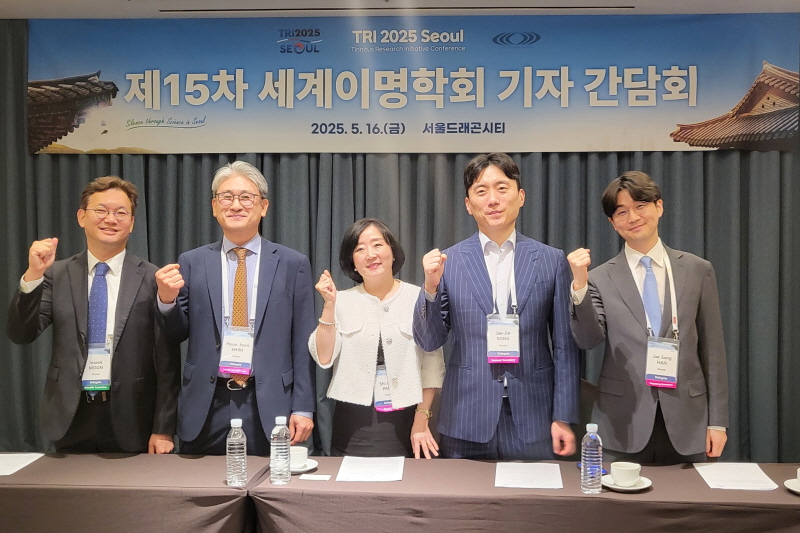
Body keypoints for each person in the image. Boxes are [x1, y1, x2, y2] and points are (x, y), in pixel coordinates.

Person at [413, 152, 580, 460]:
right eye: (481, 191)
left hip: (534, 416)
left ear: (521, 196)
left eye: (502, 188)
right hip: (466, 415)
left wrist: (563, 416)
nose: (493, 199)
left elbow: (564, 346)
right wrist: (430, 287)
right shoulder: (449, 261)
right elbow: (429, 340)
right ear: (468, 204)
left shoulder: (550, 259)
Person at [7, 176, 180, 453]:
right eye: (101, 210)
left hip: (132, 417)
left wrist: (163, 427)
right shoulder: (56, 274)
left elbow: (167, 359)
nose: (110, 219)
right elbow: (21, 333)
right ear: (81, 217)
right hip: (70, 414)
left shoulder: (152, 278)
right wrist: (33, 275)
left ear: (132, 223)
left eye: (121, 213)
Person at [155, 161, 316, 455]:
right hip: (206, 404)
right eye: (226, 197)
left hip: (269, 405)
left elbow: (303, 340)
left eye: (246, 197)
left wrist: (303, 406)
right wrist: (167, 301)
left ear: (263, 206)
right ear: (214, 207)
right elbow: (175, 333)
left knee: (270, 482)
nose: (236, 205)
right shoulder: (192, 261)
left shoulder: (292, 264)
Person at [568, 171, 728, 464]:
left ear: (659, 207)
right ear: (612, 222)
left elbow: (713, 350)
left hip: (688, 420)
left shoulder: (697, 270)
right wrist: (579, 285)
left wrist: (717, 422)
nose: (633, 217)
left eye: (640, 206)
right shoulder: (600, 278)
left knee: (689, 493)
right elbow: (588, 339)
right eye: (621, 212)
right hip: (621, 422)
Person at [309, 219, 445, 459]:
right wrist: (329, 306)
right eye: (360, 249)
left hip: (408, 423)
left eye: (377, 245)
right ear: (352, 261)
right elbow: (324, 357)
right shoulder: (341, 301)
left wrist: (422, 418)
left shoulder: (418, 297)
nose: (370, 254)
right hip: (352, 425)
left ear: (393, 252)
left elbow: (432, 363)